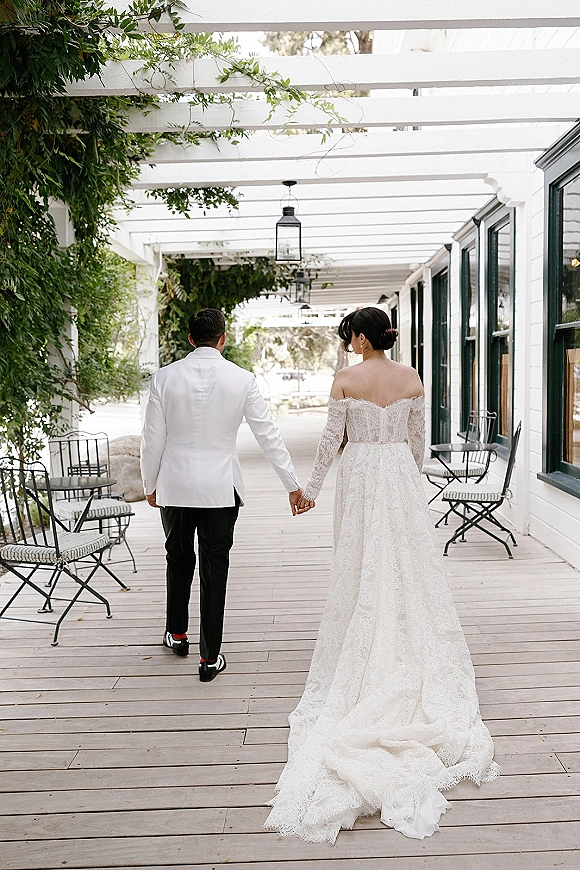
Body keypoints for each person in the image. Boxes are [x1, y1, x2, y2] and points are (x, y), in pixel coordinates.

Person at [265, 306, 499, 842]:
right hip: (396, 473)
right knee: (405, 563)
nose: (346, 344)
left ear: (364, 337)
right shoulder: (411, 378)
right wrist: (407, 480)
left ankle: (363, 638)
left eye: (349, 336)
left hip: (363, 473)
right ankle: (399, 634)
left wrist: (312, 491)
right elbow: (417, 444)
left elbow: (331, 443)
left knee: (359, 560)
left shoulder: (346, 380)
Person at [141, 308, 303, 682]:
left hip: (176, 487)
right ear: (223, 338)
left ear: (190, 339)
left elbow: (153, 439)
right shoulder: (242, 379)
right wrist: (292, 484)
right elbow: (268, 434)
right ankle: (209, 658)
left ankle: (177, 636)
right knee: (215, 569)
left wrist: (150, 484)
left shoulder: (164, 378)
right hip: (220, 489)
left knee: (178, 560)